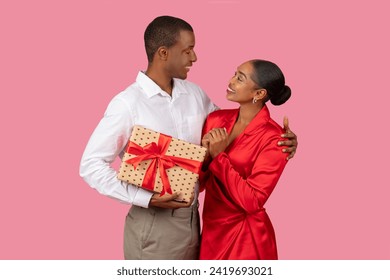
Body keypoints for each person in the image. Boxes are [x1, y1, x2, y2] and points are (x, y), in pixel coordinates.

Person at [79, 16, 298, 260]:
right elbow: (91, 165)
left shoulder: (194, 94)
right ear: (164, 53)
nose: (194, 58)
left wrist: (284, 140)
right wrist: (146, 198)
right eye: (187, 51)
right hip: (153, 223)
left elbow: (238, 129)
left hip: (197, 222)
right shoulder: (128, 103)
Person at [199, 59, 292, 260]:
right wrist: (205, 158)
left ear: (259, 94)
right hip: (211, 231)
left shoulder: (275, 138)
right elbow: (198, 182)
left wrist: (219, 157)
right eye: (234, 74)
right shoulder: (216, 120)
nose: (231, 81)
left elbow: (252, 202)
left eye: (240, 78)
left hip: (246, 238)